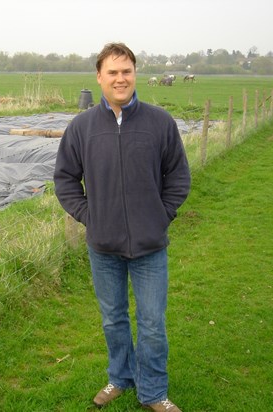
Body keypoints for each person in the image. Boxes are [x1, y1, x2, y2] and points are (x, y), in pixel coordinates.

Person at [53, 43, 191, 412]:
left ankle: (154, 392)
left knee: (151, 325)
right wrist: (89, 215)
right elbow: (66, 179)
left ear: (135, 75)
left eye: (126, 71)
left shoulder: (159, 122)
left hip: (150, 245)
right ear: (99, 77)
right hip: (103, 245)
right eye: (112, 72)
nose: (120, 78)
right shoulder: (81, 128)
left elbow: (178, 176)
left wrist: (161, 215)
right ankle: (119, 377)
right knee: (113, 320)